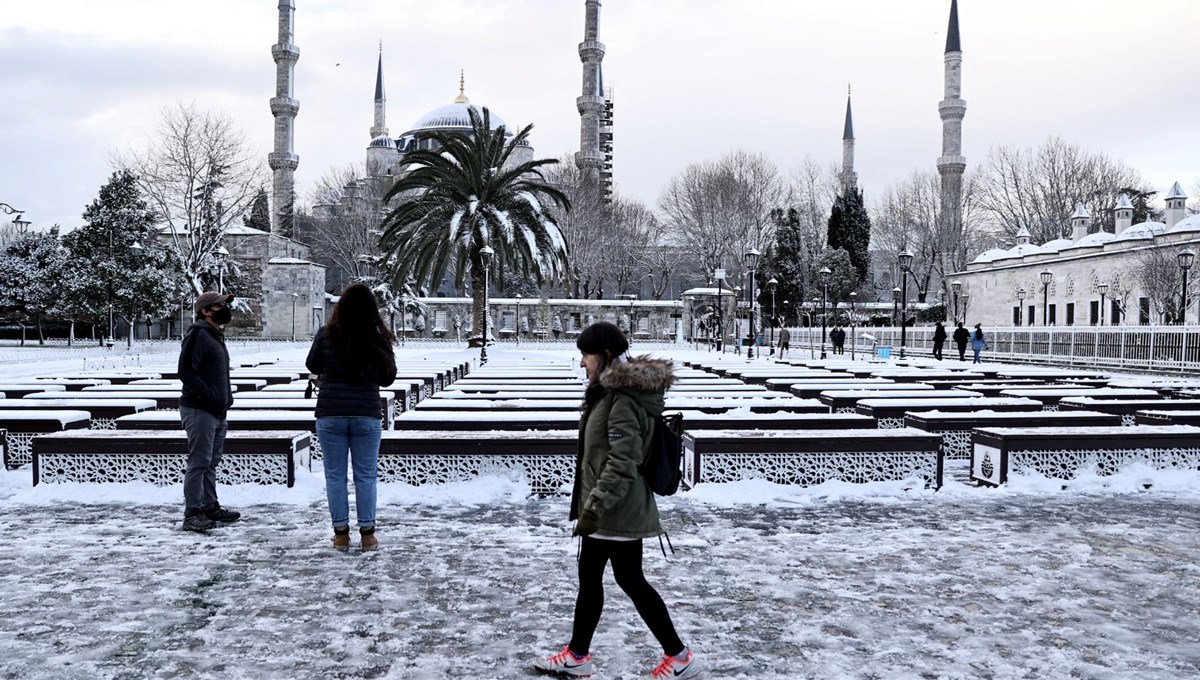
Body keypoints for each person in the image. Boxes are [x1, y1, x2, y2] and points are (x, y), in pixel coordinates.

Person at [534, 321, 700, 680]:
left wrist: (595, 506)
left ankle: (677, 655)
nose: (582, 363)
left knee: (622, 580)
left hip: (614, 511)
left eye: (586, 355)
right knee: (611, 578)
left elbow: (623, 462)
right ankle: (580, 655)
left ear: (606, 355)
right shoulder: (610, 395)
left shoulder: (622, 400)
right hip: (613, 509)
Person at [305, 283, 397, 552]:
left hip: (331, 412)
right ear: (372, 309)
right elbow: (388, 378)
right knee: (366, 476)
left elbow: (312, 365)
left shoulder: (326, 334)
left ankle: (341, 535)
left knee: (335, 477)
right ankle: (367, 535)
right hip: (366, 413)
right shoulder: (377, 339)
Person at [179, 291, 240, 533]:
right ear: (205, 311)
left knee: (211, 462)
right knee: (199, 462)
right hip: (200, 409)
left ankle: (209, 505)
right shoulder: (198, 334)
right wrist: (210, 396)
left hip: (216, 410)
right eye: (219, 305)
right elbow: (186, 371)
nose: (225, 309)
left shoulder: (214, 335)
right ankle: (192, 513)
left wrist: (225, 400)